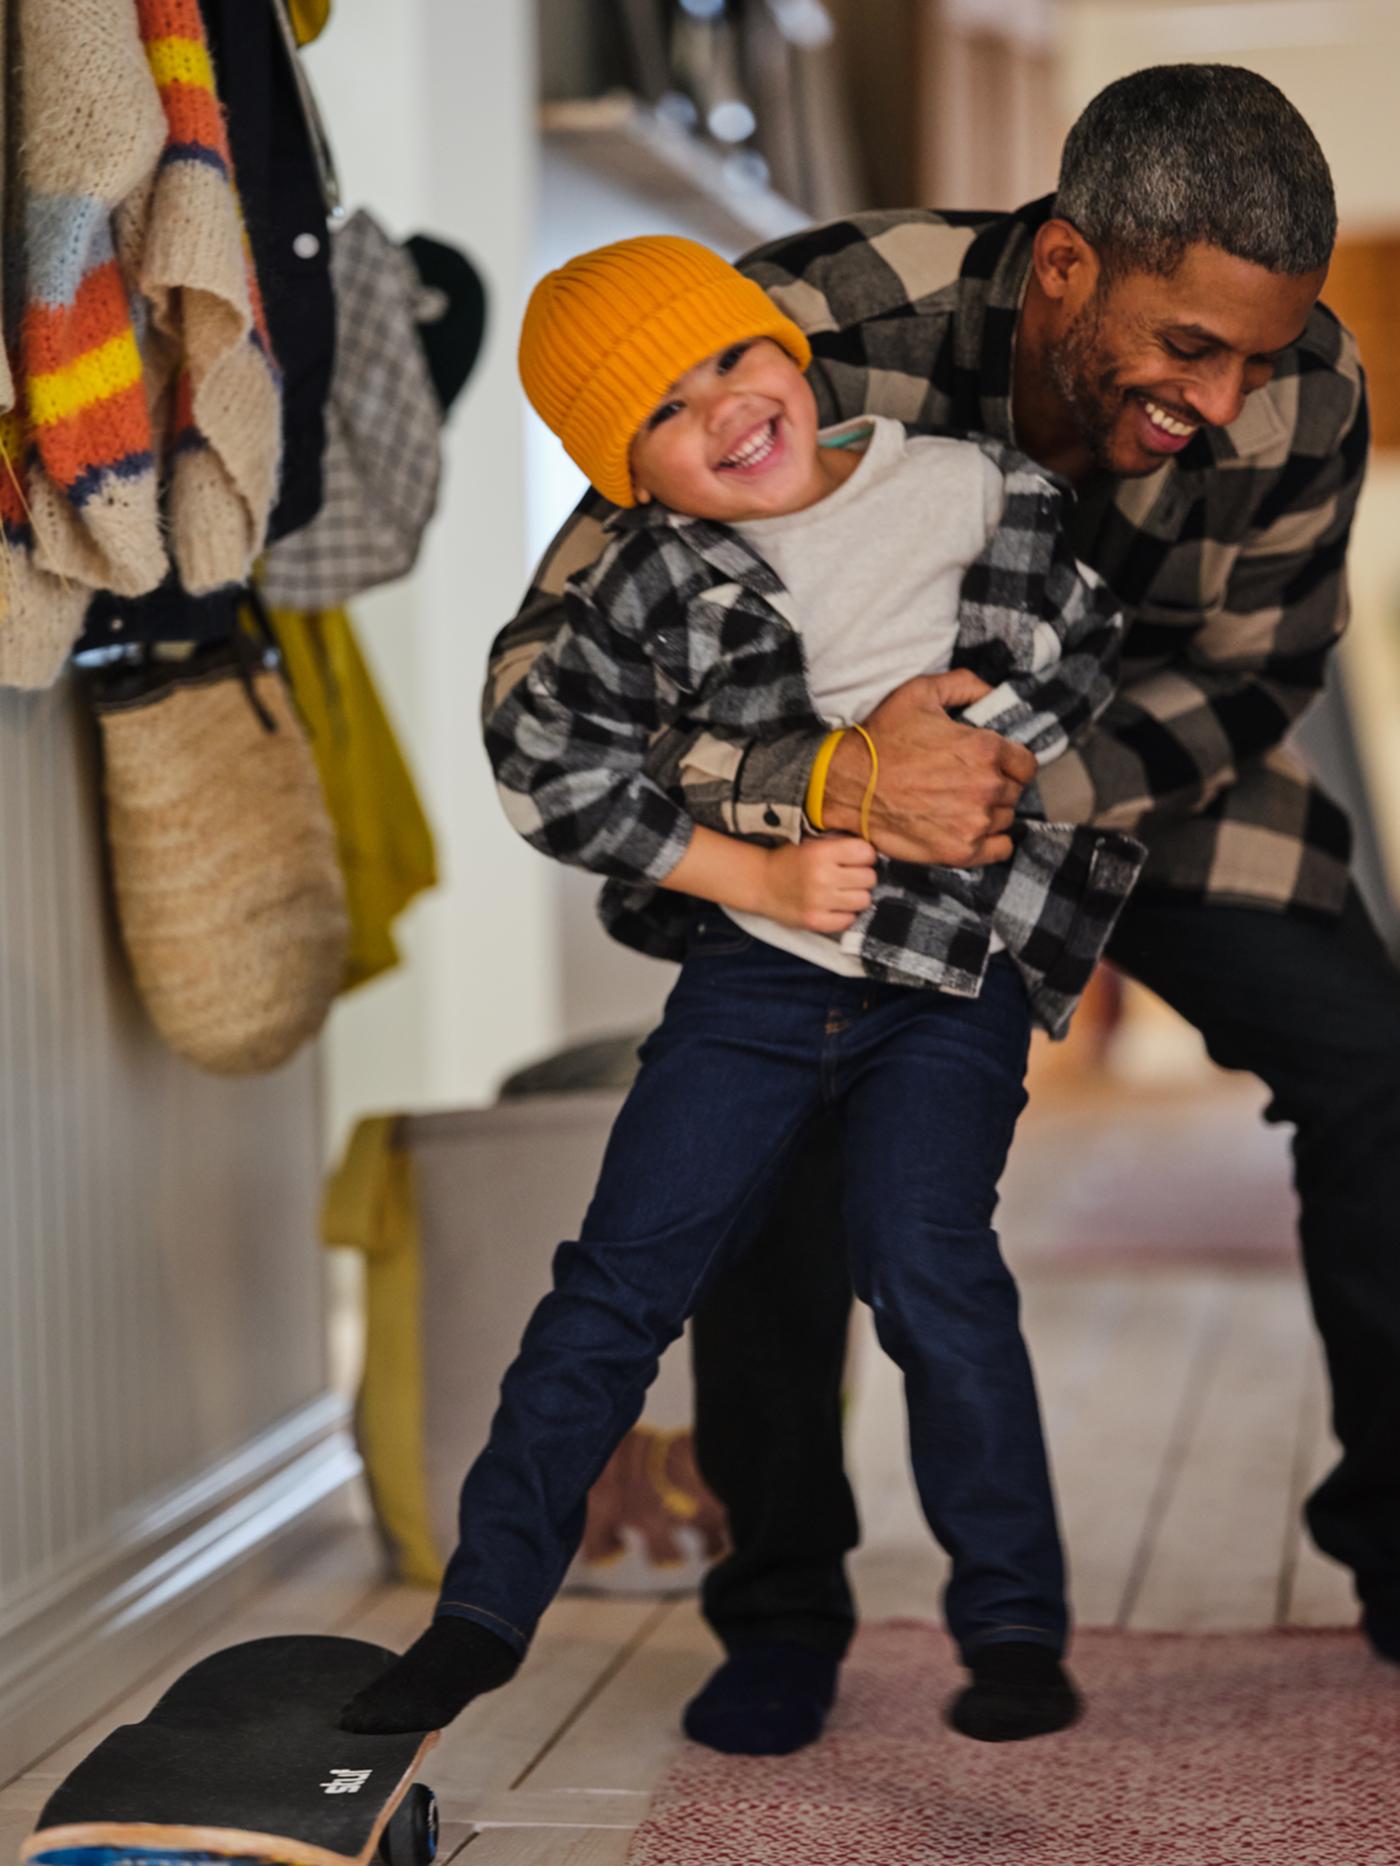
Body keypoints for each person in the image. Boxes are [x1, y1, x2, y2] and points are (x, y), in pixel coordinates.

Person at [466, 63, 1391, 1762]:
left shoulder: (1305, 383)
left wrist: (1016, 783)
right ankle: (785, 1606)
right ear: (1063, 268)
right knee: (771, 1156)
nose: (1229, 392)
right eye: (1192, 347)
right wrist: (820, 781)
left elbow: (1258, 675)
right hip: (828, 800)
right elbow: (548, 673)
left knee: (1380, 1062)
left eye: (1259, 353)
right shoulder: (795, 328)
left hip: (1130, 777)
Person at [339, 232, 1148, 1743]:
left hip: (943, 977)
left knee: (931, 1266)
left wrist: (970, 726)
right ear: (626, 476)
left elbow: (1078, 649)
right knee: (619, 1280)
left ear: (789, 347)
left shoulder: (975, 489)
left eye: (730, 359)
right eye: (662, 411)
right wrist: (768, 861)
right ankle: (480, 1612)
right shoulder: (653, 574)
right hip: (752, 983)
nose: (723, 410)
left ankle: (1015, 1622)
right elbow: (545, 762)